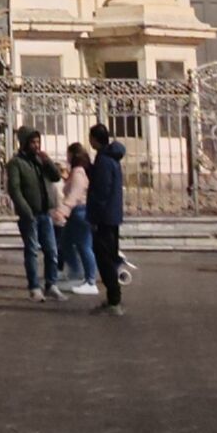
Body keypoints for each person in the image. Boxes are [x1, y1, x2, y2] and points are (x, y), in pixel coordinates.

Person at [6, 126, 66, 302]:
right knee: (32, 251)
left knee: (51, 250)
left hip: (45, 213)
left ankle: (51, 284)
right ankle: (34, 287)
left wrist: (47, 161)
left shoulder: (40, 161)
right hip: (29, 215)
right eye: (32, 142)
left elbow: (56, 177)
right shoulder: (16, 163)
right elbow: (15, 190)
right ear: (24, 144)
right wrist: (26, 211)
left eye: (38, 142)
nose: (36, 145)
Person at [87, 122, 127, 312]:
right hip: (112, 215)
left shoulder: (103, 160)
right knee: (108, 256)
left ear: (95, 139)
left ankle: (114, 299)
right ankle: (113, 298)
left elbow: (101, 191)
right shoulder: (111, 158)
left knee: (104, 258)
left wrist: (94, 216)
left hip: (104, 217)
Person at [54, 141, 99, 294]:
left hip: (80, 211)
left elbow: (75, 193)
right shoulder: (77, 171)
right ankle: (76, 274)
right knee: (66, 243)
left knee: (84, 245)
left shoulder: (79, 171)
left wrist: (63, 210)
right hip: (76, 212)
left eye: (68, 154)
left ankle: (90, 280)